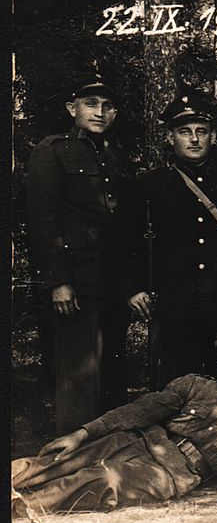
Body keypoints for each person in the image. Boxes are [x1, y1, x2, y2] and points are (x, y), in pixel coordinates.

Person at [11, 327, 217, 515]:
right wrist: (82, 434)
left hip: (171, 474)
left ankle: (21, 510)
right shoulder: (193, 385)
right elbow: (139, 411)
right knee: (59, 462)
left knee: (105, 479)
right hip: (139, 441)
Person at [120, 91, 217, 384]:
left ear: (213, 136)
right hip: (174, 303)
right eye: (185, 132)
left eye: (202, 131)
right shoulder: (149, 185)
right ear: (170, 137)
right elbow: (128, 241)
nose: (194, 139)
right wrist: (134, 288)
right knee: (176, 382)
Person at [26, 74, 132, 432]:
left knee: (112, 376)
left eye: (107, 106)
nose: (99, 112)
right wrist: (58, 281)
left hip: (111, 283)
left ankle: (110, 452)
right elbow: (42, 221)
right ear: (72, 109)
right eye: (90, 104)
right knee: (78, 381)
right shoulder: (53, 150)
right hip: (76, 283)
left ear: (115, 114)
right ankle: (72, 456)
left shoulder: (115, 157)